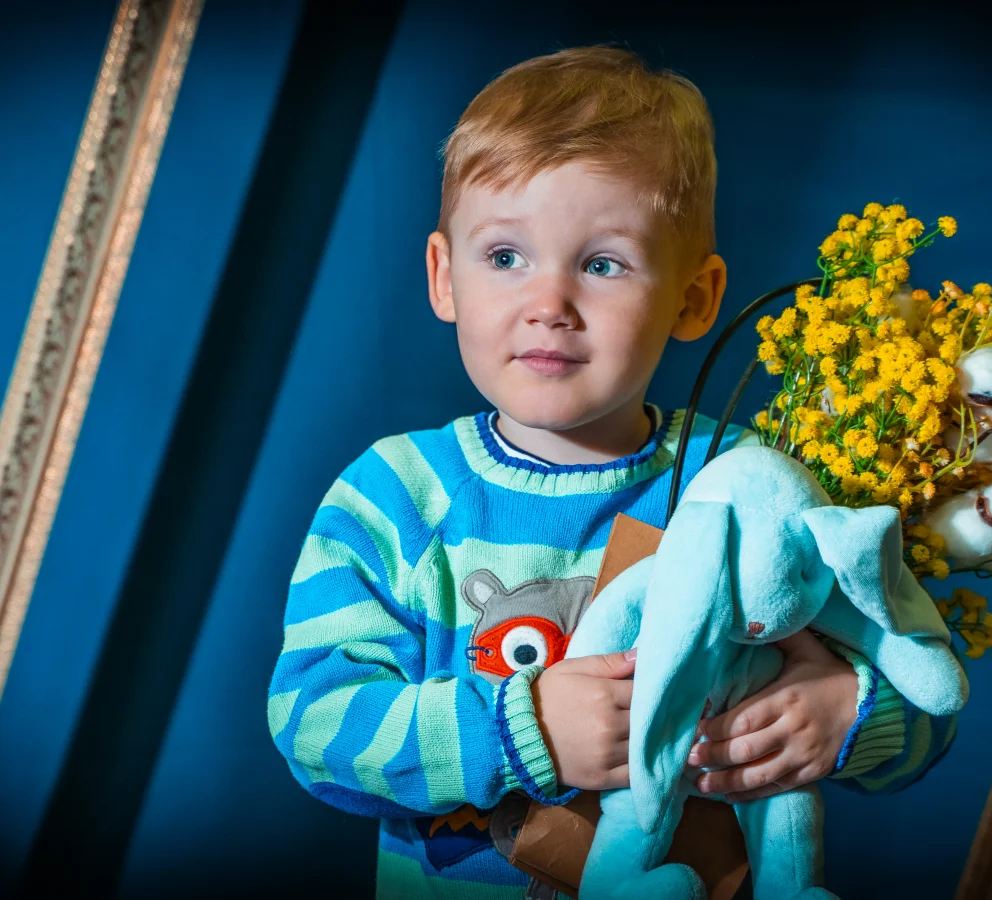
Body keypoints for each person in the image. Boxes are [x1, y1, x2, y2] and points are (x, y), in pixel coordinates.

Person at [267, 45, 956, 900]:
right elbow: (314, 727)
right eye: (506, 256)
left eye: (602, 265)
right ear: (444, 277)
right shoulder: (393, 495)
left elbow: (928, 697)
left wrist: (846, 713)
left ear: (694, 298)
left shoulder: (745, 483)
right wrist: (524, 731)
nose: (548, 304)